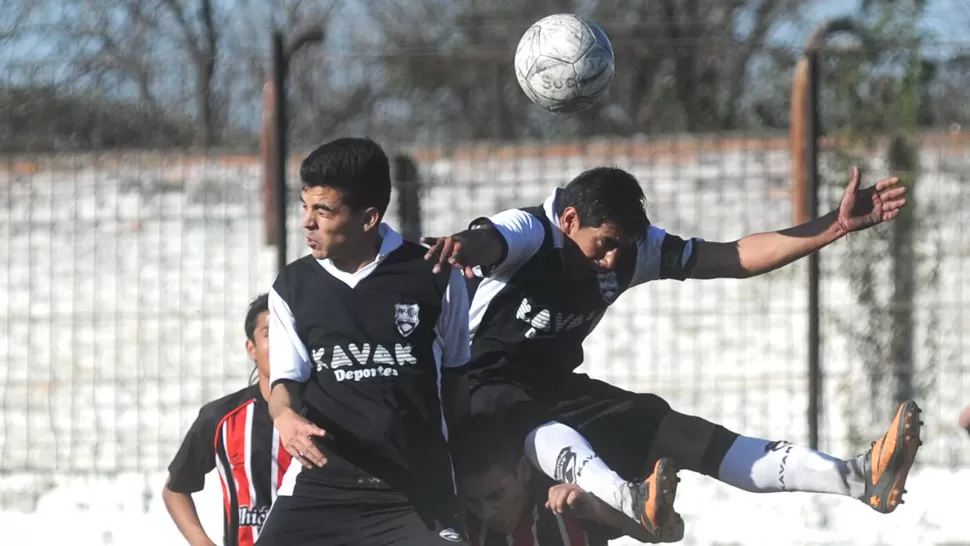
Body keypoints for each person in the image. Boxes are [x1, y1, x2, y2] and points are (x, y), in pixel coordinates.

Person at [423, 165, 922, 542]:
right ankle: (627, 500)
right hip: (480, 388)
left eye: (622, 247)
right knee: (525, 414)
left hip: (557, 389)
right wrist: (462, 246)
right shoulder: (532, 231)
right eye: (603, 244)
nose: (613, 259)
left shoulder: (634, 252)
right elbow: (490, 239)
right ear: (569, 219)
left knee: (683, 434)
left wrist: (831, 227)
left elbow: (733, 257)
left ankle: (856, 478)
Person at [256, 137, 472, 546]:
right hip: (321, 492)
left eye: (323, 210)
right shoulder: (292, 286)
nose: (307, 222)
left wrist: (461, 471)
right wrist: (284, 418)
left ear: (368, 218)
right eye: (305, 206)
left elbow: (458, 382)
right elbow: (285, 382)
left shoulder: (435, 275)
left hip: (413, 495)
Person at [163, 294, 292, 546]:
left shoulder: (327, 411)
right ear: (251, 349)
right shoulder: (222, 417)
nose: (282, 342)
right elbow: (175, 490)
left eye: (288, 332)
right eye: (269, 333)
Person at [453, 414, 680, 546]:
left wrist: (596, 510)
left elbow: (664, 533)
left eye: (496, 496)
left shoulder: (570, 500)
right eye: (474, 501)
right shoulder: (463, 525)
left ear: (523, 471)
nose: (486, 511)